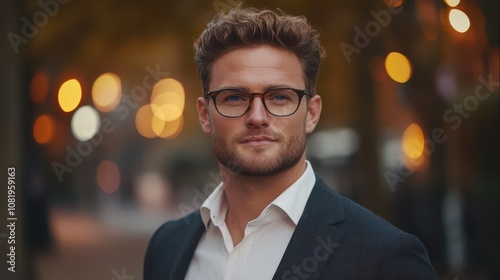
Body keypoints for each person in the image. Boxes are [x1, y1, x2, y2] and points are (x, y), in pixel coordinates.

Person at [144, 6, 438, 280]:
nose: (257, 117)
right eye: (234, 98)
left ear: (311, 113)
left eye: (279, 97)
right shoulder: (166, 247)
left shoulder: (386, 257)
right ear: (204, 115)